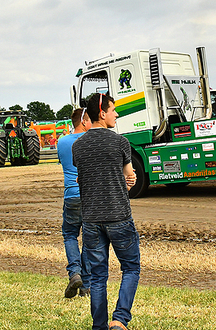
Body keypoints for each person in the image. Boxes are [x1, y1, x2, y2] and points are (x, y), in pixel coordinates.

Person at [72, 93, 139, 330]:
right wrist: (127, 181)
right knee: (130, 268)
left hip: (91, 220)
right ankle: (120, 320)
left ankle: (99, 326)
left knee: (98, 277)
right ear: (102, 113)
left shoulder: (77, 146)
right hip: (118, 215)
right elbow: (129, 177)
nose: (116, 114)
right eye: (113, 110)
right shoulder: (120, 142)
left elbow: (83, 178)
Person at [57, 108, 92, 298]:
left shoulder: (62, 142)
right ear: (84, 121)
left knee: (70, 235)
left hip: (70, 195)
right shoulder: (88, 142)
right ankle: (86, 285)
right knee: (88, 239)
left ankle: (74, 273)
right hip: (88, 196)